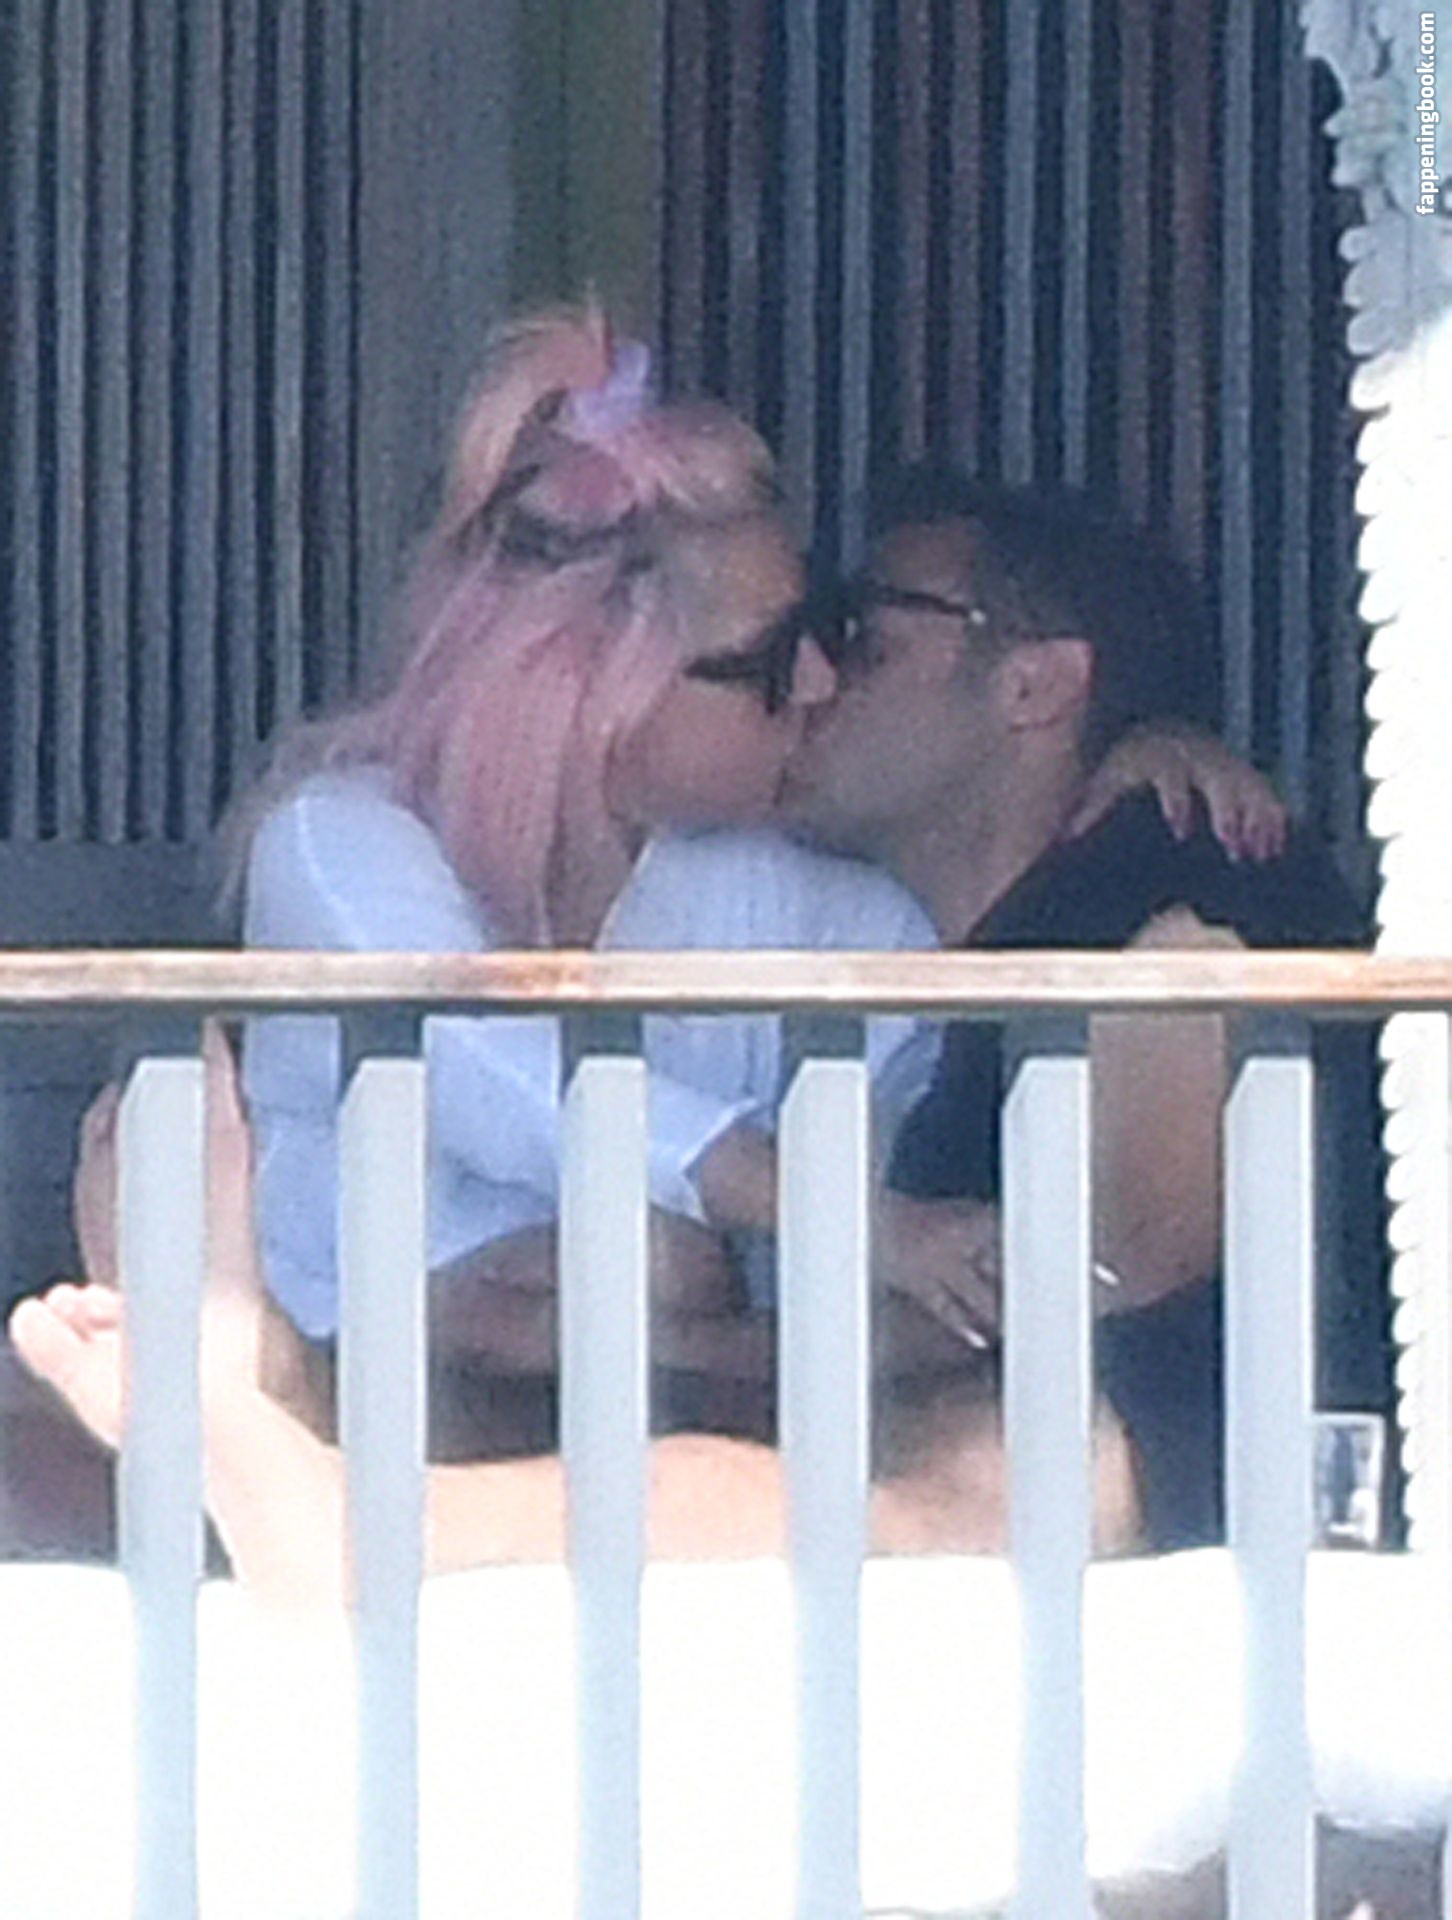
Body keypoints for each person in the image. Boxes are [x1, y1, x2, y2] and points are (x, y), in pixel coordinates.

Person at [230, 303, 1281, 1449]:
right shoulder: (335, 839)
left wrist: (1131, 768)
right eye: (771, 659)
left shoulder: (766, 883)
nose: (824, 682)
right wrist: (873, 1227)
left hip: (644, 1453)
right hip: (333, 1405)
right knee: (660, 1261)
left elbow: (954, 984)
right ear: (602, 675)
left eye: (831, 635)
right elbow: (498, 1074)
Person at [781, 464, 1388, 1546]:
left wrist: (663, 1350)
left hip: (1206, 1574)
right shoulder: (1051, 922)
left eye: (864, 635)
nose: (811, 678)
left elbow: (1099, 1302)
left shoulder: (1181, 878)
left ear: (1035, 686)